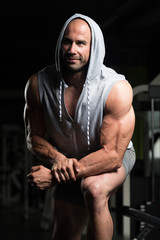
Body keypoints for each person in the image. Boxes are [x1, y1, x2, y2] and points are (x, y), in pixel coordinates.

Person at [24, 13, 136, 240]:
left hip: (113, 154)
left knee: (93, 189)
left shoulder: (116, 89)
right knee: (64, 233)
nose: (72, 49)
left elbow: (113, 155)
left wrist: (55, 176)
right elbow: (33, 136)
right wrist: (58, 160)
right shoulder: (38, 84)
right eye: (68, 41)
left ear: (93, 48)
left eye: (81, 43)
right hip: (66, 159)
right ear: (60, 44)